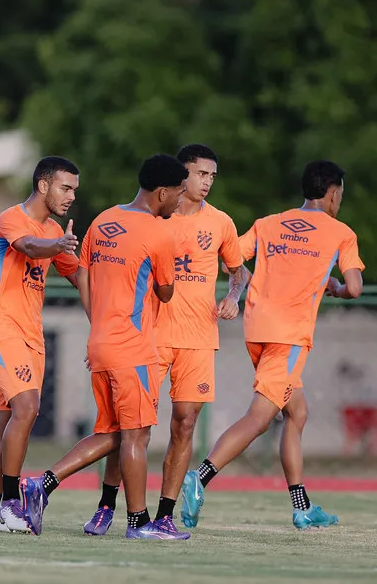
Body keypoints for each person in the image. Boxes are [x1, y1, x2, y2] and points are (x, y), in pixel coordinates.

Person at [74, 144, 251, 536]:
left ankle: (164, 515)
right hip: (147, 338)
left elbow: (239, 271)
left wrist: (232, 296)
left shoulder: (221, 223)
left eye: (212, 176)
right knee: (130, 428)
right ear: (179, 176)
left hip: (198, 338)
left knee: (184, 424)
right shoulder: (154, 217)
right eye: (201, 174)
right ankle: (107, 505)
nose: (207, 183)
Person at [179, 160, 364, 530]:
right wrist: (336, 288)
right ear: (331, 193)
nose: (339, 201)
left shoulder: (269, 223)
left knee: (296, 413)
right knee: (260, 419)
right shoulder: (341, 232)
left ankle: (302, 505)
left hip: (257, 331)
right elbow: (355, 288)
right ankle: (198, 477)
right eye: (339, 195)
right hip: (290, 337)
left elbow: (233, 256)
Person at [22, 154, 191, 540]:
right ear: (162, 192)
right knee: (136, 436)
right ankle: (139, 524)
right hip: (133, 347)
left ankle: (42, 485)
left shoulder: (103, 220)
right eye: (179, 194)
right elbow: (166, 293)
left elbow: (84, 275)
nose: (180, 201)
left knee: (112, 433)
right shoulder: (160, 233)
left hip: (100, 343)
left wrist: (99, 324)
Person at [0, 156, 83, 534]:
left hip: (31, 338)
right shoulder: (12, 218)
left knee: (8, 423)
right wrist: (58, 244)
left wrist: (103, 323)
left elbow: (80, 276)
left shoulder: (55, 231)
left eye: (74, 190)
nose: (70, 196)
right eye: (65, 188)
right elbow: (32, 247)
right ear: (43, 185)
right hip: (0, 329)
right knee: (27, 407)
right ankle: (12, 504)